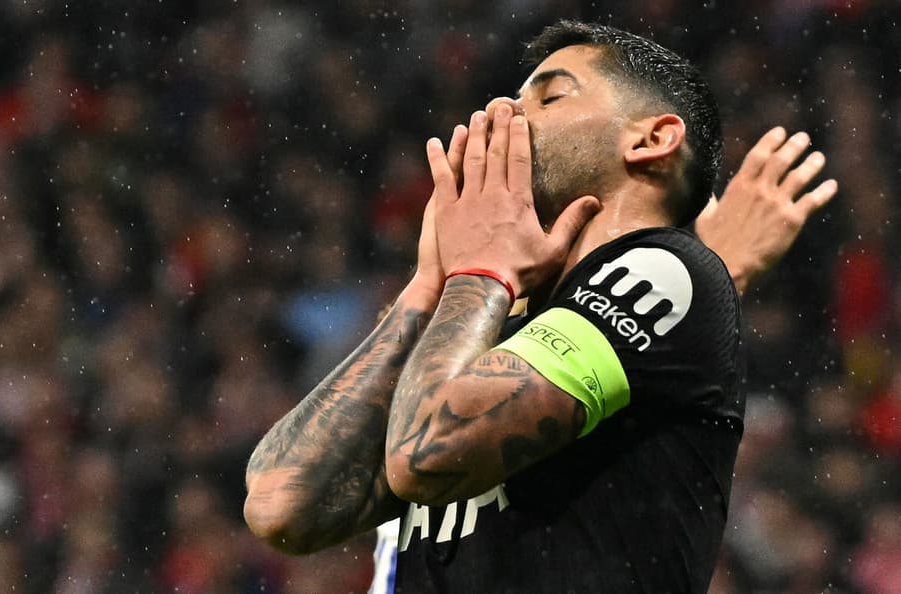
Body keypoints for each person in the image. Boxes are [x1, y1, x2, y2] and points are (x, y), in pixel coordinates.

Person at [244, 21, 836, 593]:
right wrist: (428, 286)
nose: (504, 112)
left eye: (550, 95)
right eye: (509, 95)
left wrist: (480, 271)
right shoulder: (490, 320)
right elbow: (281, 506)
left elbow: (425, 453)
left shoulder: (666, 269)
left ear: (651, 139)